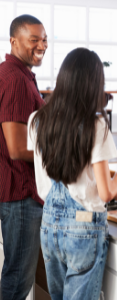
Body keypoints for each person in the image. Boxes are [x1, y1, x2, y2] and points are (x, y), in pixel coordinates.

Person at [27, 48, 117, 299]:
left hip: (50, 225)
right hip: (83, 229)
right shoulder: (95, 124)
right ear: (94, 83)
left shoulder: (37, 119)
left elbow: (67, 169)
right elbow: (105, 192)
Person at [0, 14, 47, 299]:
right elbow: (17, 149)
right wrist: (56, 155)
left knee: (16, 276)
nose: (41, 45)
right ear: (14, 41)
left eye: (44, 40)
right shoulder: (16, 79)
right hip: (21, 192)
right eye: (34, 40)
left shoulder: (15, 74)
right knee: (18, 280)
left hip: (15, 189)